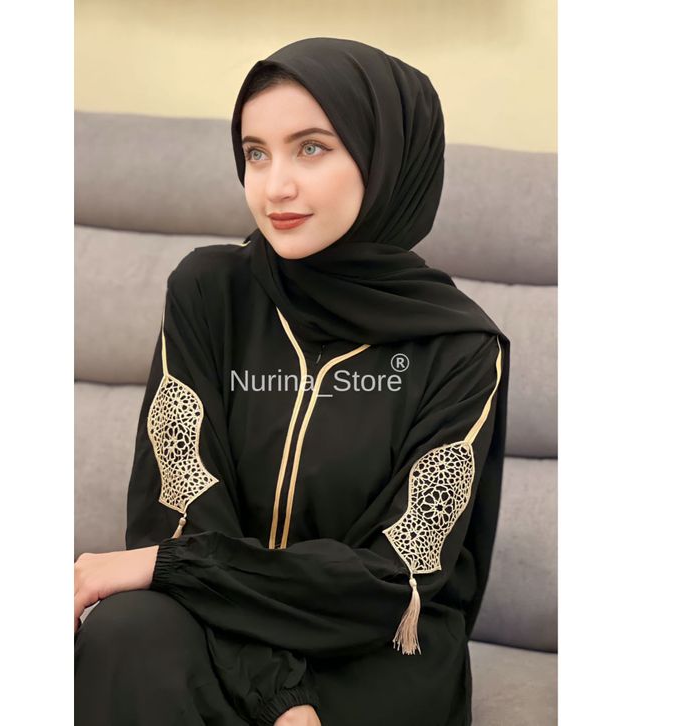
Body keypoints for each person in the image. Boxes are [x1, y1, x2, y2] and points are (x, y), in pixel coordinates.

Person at [74, 36, 511, 726]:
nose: (274, 186)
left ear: (386, 158)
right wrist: (276, 691)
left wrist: (181, 576)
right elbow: (182, 514)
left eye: (311, 148)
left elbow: (389, 581)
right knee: (126, 632)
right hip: (217, 617)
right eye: (256, 153)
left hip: (372, 649)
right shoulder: (210, 293)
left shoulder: (461, 350)